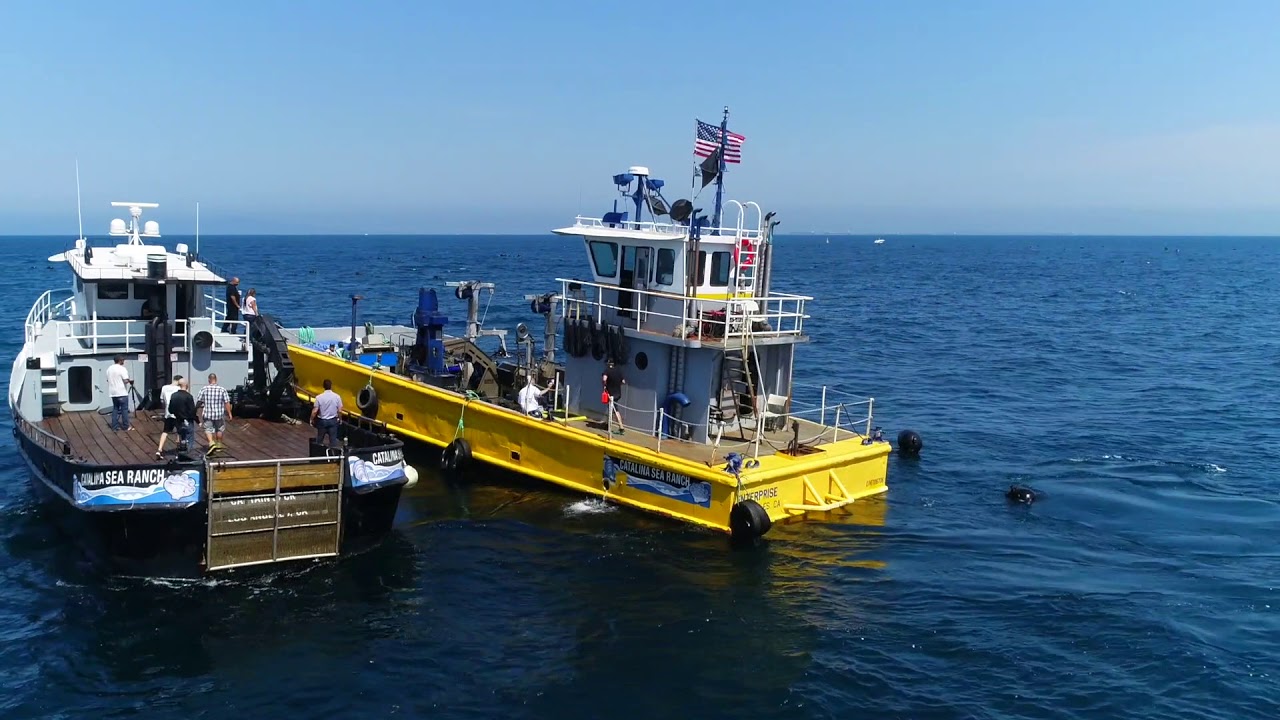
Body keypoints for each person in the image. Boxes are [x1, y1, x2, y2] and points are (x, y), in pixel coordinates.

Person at [196, 372, 233, 452]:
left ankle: (211, 443)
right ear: (216, 379)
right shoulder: (222, 389)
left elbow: (199, 401)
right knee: (219, 429)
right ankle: (219, 445)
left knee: (208, 429)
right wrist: (229, 413)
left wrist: (195, 410)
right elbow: (227, 402)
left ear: (209, 380)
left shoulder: (204, 389)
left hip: (208, 414)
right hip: (219, 414)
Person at [154, 374, 184, 457]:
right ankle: (178, 450)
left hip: (168, 413)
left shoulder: (164, 387)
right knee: (180, 432)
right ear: (179, 381)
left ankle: (159, 449)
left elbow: (162, 400)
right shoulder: (179, 389)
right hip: (178, 413)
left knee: (165, 431)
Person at [166, 377, 197, 453]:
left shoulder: (173, 395)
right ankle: (187, 454)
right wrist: (197, 420)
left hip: (178, 420)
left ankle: (181, 453)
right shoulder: (189, 396)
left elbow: (170, 409)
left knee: (181, 437)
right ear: (186, 385)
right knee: (189, 438)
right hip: (188, 420)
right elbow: (192, 411)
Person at [310, 379, 343, 447]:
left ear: (323, 386)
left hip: (322, 421)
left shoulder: (319, 397)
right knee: (333, 440)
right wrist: (340, 419)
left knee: (319, 439)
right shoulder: (337, 397)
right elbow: (339, 410)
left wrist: (311, 419)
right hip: (333, 420)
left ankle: (318, 454)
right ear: (331, 386)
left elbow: (315, 411)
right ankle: (333, 455)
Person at [106, 355, 132, 432]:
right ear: (120, 360)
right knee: (124, 409)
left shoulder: (109, 369)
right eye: (123, 360)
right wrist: (130, 381)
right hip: (122, 392)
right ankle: (126, 426)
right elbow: (125, 381)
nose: (124, 361)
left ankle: (114, 427)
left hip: (113, 392)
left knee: (115, 409)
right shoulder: (122, 369)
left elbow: (107, 380)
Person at [602, 360, 625, 434]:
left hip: (611, 394)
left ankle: (621, 427)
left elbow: (604, 379)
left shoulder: (607, 371)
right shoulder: (618, 371)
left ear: (608, 364)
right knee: (611, 409)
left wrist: (605, 385)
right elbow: (623, 381)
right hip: (618, 393)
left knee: (615, 410)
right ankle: (608, 424)